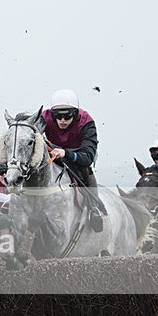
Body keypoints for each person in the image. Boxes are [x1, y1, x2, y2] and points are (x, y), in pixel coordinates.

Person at [42, 89, 105, 232]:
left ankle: (94, 208)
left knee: (85, 169)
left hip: (80, 155)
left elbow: (87, 157)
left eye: (67, 116)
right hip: (52, 151)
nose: (62, 121)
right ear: (52, 115)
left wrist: (67, 154)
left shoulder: (86, 122)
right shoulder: (44, 117)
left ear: (75, 114)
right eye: (58, 117)